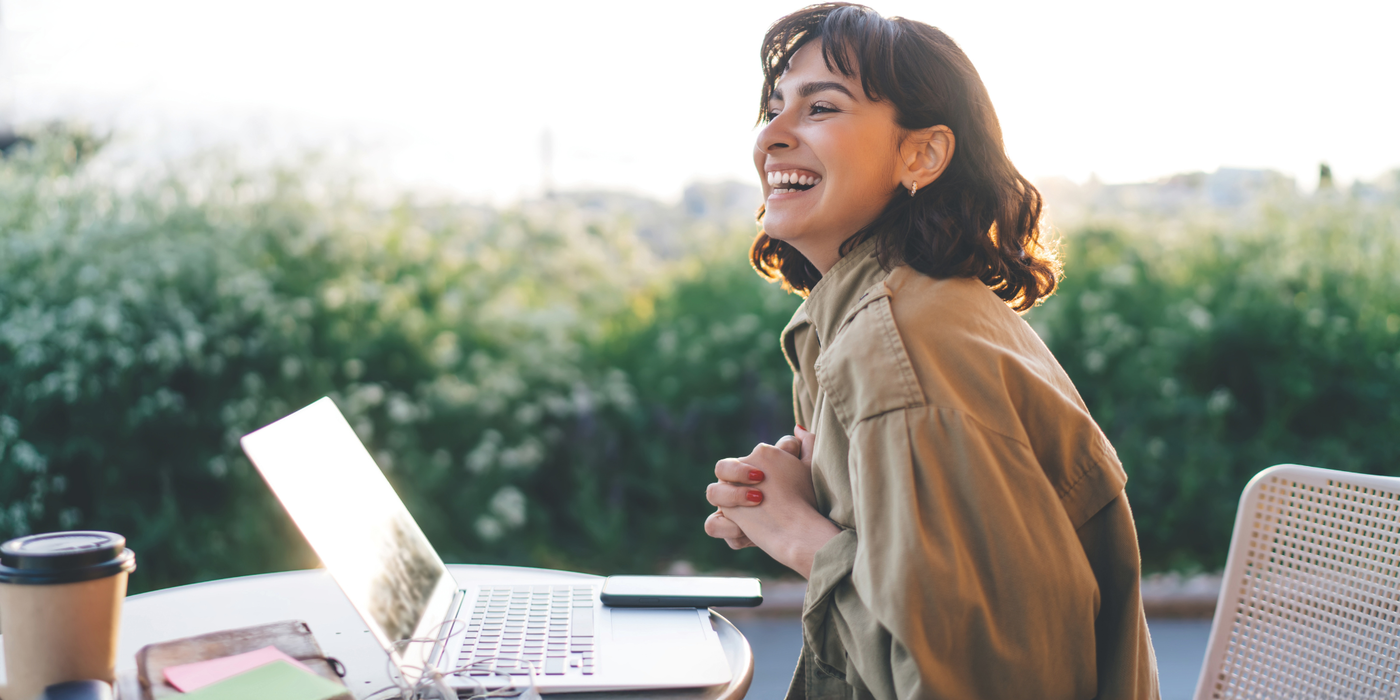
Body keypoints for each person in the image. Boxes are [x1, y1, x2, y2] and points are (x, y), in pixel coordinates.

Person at [702, 4, 1160, 699]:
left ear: (921, 155)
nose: (773, 136)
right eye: (773, 108)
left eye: (820, 107)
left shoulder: (901, 351)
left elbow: (978, 684)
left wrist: (797, 534)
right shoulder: (896, 315)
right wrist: (820, 498)